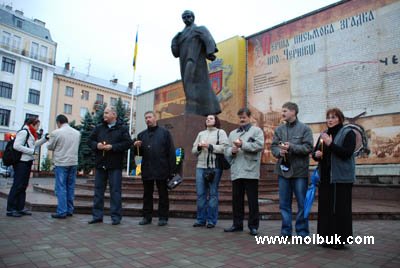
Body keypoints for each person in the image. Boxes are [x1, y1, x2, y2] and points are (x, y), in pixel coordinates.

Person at [312, 108, 356, 249]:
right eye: (328, 117)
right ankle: (326, 238)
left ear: (340, 119)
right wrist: (316, 154)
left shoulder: (348, 133)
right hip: (325, 178)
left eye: (333, 117)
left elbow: (347, 153)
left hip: (340, 178)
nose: (330, 120)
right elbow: (315, 153)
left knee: (340, 209)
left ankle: (339, 240)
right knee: (326, 209)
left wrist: (331, 144)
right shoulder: (324, 134)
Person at [271, 102, 313, 237]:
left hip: (299, 172)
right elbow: (273, 147)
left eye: (285, 111)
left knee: (302, 203)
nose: (282, 113)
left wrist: (291, 147)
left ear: (293, 111)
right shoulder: (279, 130)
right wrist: (279, 152)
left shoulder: (305, 129)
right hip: (283, 171)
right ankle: (286, 231)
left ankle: (302, 232)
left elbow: (308, 148)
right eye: (282, 111)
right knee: (284, 203)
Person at [171, 10, 221, 116]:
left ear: (193, 17)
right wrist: (174, 41)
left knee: (195, 84)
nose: (187, 19)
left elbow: (208, 39)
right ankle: (200, 110)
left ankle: (193, 109)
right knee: (187, 85)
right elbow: (176, 53)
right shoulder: (180, 35)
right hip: (184, 62)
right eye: (184, 17)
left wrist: (210, 52)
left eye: (189, 16)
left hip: (195, 60)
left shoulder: (199, 29)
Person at [88, 106, 132, 225]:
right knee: (98, 191)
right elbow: (89, 140)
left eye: (107, 113)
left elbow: (128, 143)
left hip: (115, 165)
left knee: (115, 191)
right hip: (100, 164)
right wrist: (96, 145)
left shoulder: (122, 129)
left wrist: (113, 147)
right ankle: (97, 216)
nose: (104, 115)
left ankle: (116, 217)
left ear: (114, 115)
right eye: (104, 113)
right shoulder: (99, 128)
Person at [224, 108, 264, 236]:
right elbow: (226, 150)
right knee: (237, 200)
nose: (242, 119)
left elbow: (259, 146)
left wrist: (243, 145)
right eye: (240, 117)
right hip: (237, 171)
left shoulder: (256, 131)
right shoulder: (232, 133)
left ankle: (253, 226)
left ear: (250, 117)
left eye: (244, 117)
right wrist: (232, 151)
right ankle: (237, 224)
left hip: (250, 170)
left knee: (252, 200)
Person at [134, 111, 176, 226]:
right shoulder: (141, 135)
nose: (148, 119)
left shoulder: (165, 133)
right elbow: (138, 155)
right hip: (147, 169)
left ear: (155, 118)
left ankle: (163, 217)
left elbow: (171, 152)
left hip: (162, 168)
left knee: (163, 194)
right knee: (147, 195)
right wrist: (136, 147)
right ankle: (147, 217)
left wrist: (172, 170)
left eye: (150, 117)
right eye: (146, 118)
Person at [191, 114, 228, 228]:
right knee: (201, 194)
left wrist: (209, 146)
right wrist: (199, 147)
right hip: (200, 167)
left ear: (215, 120)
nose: (208, 120)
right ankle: (201, 219)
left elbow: (224, 148)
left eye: (211, 118)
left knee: (213, 194)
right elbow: (193, 150)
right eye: (207, 119)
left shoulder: (220, 132)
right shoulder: (201, 134)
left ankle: (211, 220)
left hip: (214, 167)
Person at [6, 117, 48, 217]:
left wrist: (44, 139)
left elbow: (33, 145)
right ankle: (11, 209)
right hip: (21, 162)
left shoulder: (31, 133)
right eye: (37, 125)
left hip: (27, 161)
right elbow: (17, 145)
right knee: (17, 185)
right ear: (32, 124)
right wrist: (32, 151)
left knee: (23, 186)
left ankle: (20, 208)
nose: (38, 128)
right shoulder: (24, 132)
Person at [47, 114, 81, 219]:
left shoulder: (56, 133)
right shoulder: (77, 133)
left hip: (61, 163)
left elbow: (50, 146)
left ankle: (62, 211)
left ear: (58, 122)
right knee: (70, 187)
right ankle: (69, 210)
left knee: (61, 188)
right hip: (73, 162)